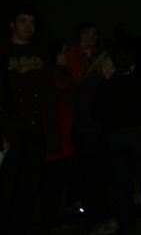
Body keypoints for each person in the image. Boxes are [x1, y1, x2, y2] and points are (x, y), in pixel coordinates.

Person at [92, 49, 141, 235]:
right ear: (132, 66)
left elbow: (95, 114)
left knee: (121, 187)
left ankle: (127, 227)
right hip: (139, 137)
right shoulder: (140, 84)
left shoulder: (104, 86)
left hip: (114, 139)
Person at [0, 7, 61, 234]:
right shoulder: (4, 50)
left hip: (35, 130)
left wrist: (53, 135)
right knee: (7, 187)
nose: (28, 26)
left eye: (32, 22)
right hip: (10, 131)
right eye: (23, 21)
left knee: (30, 186)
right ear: (11, 24)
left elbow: (49, 94)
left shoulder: (40, 50)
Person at [73, 52, 117, 235]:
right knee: (93, 180)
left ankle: (101, 218)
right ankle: (96, 222)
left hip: (93, 135)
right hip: (89, 136)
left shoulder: (97, 82)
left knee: (98, 179)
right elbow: (92, 113)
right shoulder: (94, 83)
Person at [40, 39, 80, 235]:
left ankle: (54, 220)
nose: (68, 55)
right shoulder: (53, 75)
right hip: (57, 139)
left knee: (57, 182)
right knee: (52, 184)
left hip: (63, 138)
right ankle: (49, 223)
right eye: (64, 52)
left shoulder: (61, 74)